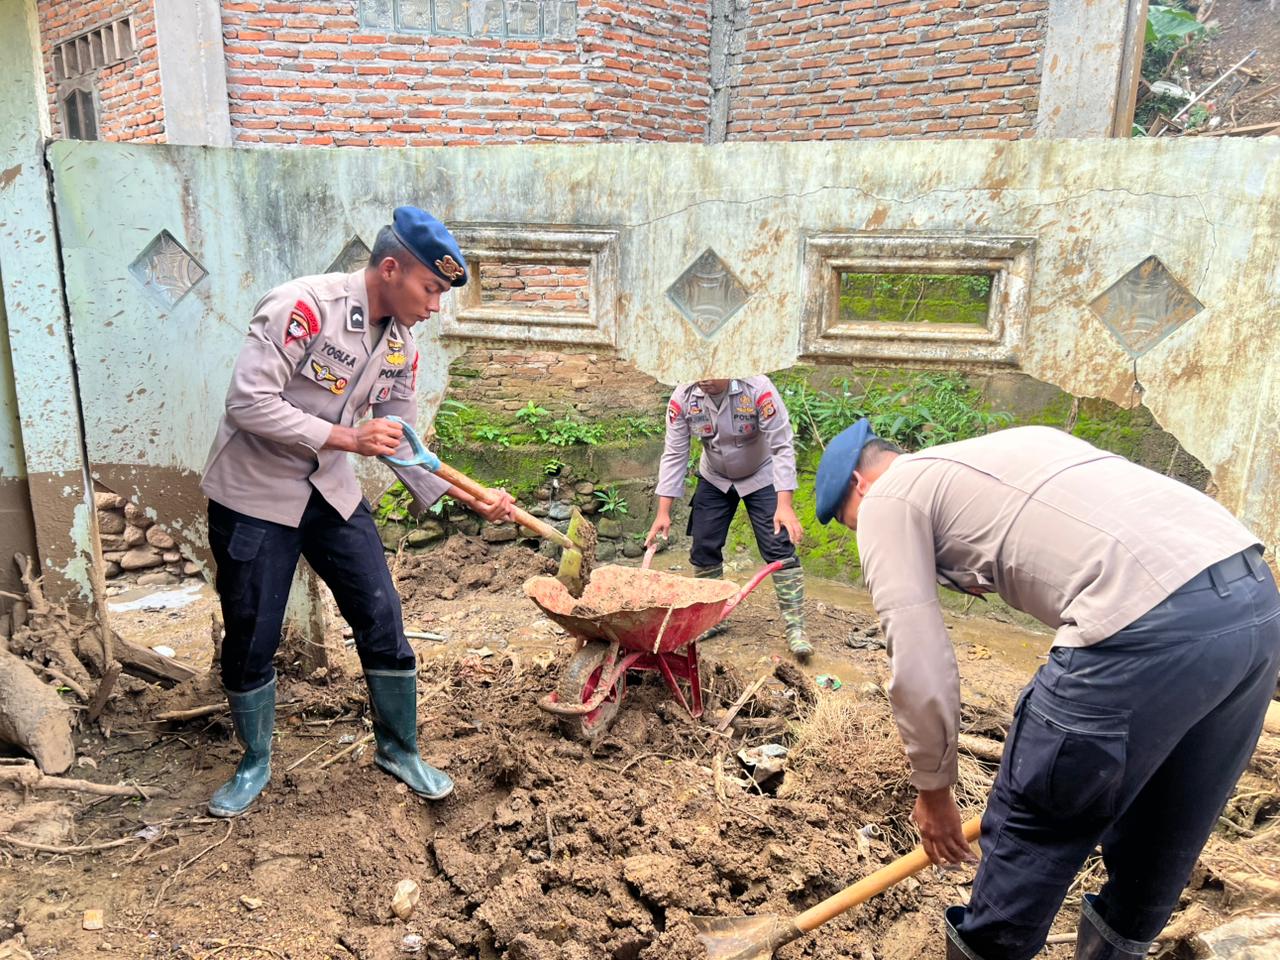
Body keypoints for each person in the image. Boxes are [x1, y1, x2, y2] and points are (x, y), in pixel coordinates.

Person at [813, 420, 1280, 960]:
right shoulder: (1013, 447)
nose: (861, 532)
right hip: (1254, 604)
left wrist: (934, 791)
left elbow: (919, 658)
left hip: (1141, 623)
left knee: (1031, 831)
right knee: (1162, 835)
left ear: (859, 485)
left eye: (850, 524)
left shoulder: (886, 498)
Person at [200, 206, 514, 818]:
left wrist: (471, 498)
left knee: (381, 614)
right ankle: (255, 761)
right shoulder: (303, 308)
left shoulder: (401, 347)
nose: (435, 306)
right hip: (255, 496)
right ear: (390, 269)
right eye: (430, 288)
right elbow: (248, 402)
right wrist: (347, 437)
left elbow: (404, 444)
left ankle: (399, 749)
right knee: (252, 634)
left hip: (331, 494)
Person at [645, 377, 809, 658]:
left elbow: (782, 446)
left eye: (712, 373)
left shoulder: (757, 389)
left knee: (778, 546)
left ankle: (796, 627)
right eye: (699, 373)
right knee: (703, 544)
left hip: (762, 475)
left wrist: (784, 504)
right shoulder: (684, 397)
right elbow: (674, 453)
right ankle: (713, 618)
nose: (704, 380)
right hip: (715, 476)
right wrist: (663, 511)